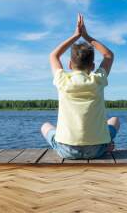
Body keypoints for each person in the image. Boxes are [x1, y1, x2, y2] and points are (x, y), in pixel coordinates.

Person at [40, 13, 120, 159]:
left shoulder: (62, 80)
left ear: (70, 64)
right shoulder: (97, 79)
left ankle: (94, 143)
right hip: (97, 149)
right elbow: (108, 55)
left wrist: (76, 35)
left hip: (67, 150)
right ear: (93, 66)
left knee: (45, 126)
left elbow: (53, 56)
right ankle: (107, 145)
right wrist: (87, 36)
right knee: (114, 120)